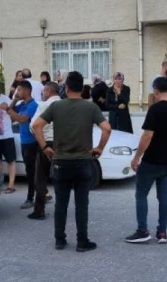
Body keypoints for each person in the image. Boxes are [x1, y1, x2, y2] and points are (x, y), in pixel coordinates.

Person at [32, 71, 111, 252]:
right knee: (82, 204)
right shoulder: (91, 107)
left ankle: (60, 240)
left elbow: (36, 126)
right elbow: (107, 128)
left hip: (60, 162)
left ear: (66, 88)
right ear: (82, 89)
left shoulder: (56, 106)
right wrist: (99, 148)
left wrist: (45, 148)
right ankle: (82, 241)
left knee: (61, 203)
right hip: (83, 161)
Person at [125, 77, 167, 244]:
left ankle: (142, 231)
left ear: (156, 91)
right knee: (164, 196)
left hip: (151, 160)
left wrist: (136, 157)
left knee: (141, 194)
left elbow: (147, 135)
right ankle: (162, 232)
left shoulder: (155, 109)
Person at [28, 82, 60, 220]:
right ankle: (61, 208)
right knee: (60, 178)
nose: (42, 94)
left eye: (43, 91)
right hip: (62, 144)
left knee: (40, 178)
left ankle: (39, 211)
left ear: (48, 91)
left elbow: (33, 126)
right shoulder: (63, 105)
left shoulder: (44, 105)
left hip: (46, 143)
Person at [6, 80, 39, 209]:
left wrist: (7, 109)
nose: (17, 92)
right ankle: (42, 194)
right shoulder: (22, 104)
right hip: (24, 142)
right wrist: (14, 99)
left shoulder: (33, 105)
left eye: (19, 90)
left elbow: (22, 119)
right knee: (30, 170)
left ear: (27, 91)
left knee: (31, 172)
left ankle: (30, 198)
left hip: (32, 142)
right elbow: (11, 115)